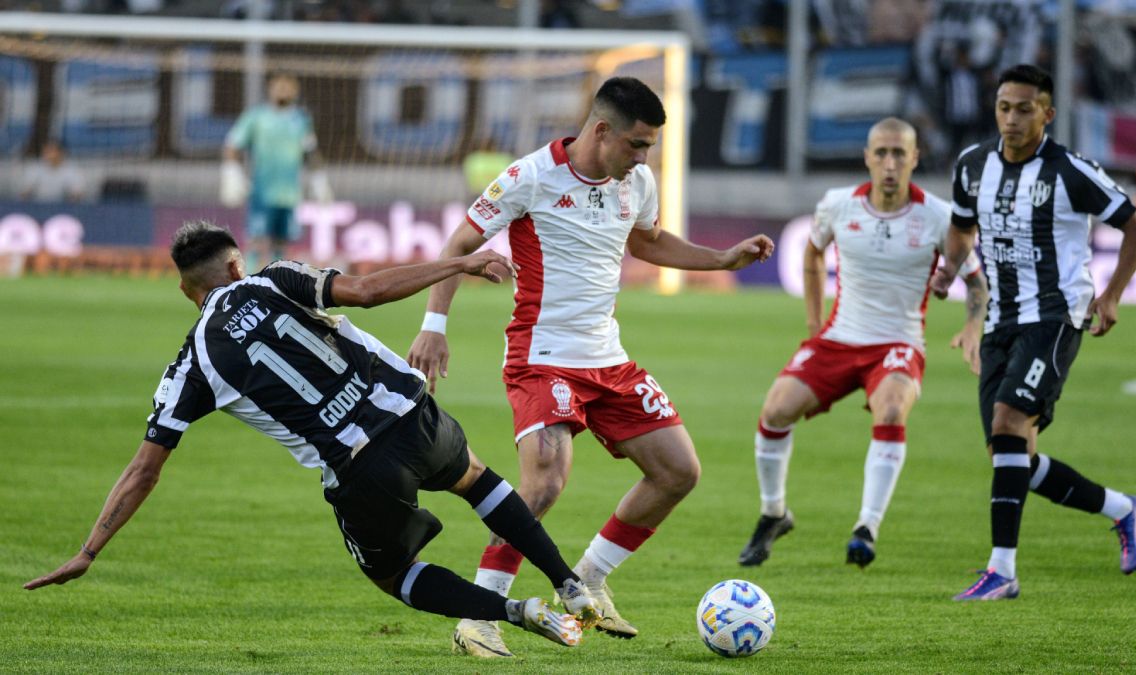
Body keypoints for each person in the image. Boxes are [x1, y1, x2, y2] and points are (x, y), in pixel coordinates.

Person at [23, 220, 603, 652]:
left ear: (187, 293)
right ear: (234, 266)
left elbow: (143, 469)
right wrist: (457, 264)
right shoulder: (275, 278)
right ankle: (570, 582)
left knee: (392, 574)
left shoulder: (191, 365)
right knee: (477, 478)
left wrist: (88, 551)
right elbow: (370, 291)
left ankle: (518, 610)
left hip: (359, 466)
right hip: (412, 414)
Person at [407, 76, 774, 657]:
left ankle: (594, 579)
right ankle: (479, 616)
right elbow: (460, 245)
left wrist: (721, 258)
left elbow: (647, 243)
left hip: (608, 357)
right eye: (637, 144)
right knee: (546, 478)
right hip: (542, 357)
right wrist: (434, 326)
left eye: (649, 146)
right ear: (601, 131)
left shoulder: (638, 180)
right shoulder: (529, 176)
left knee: (679, 470)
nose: (644, 157)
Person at [931, 64, 1136, 601]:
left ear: (1047, 114)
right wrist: (948, 270)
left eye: (1024, 108)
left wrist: (1113, 293)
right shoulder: (973, 166)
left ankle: (1002, 571)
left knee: (1009, 423)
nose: (1011, 117)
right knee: (1011, 457)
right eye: (1004, 106)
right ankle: (1124, 509)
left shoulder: (1071, 171)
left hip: (1055, 316)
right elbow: (961, 230)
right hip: (1001, 322)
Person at [737, 117, 988, 569]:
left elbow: (976, 281)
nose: (890, 163)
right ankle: (774, 513)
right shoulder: (838, 205)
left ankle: (866, 527)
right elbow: (813, 251)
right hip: (838, 337)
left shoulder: (938, 216)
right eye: (881, 153)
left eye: (899, 154)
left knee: (892, 407)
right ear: (867, 158)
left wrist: (972, 328)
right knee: (775, 408)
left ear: (914, 158)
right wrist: (814, 324)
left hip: (898, 343)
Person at [221, 73, 333, 272]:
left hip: (289, 194)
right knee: (256, 239)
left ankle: (276, 280)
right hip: (262, 191)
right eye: (278, 86)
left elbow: (310, 152)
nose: (282, 90)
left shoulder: (301, 119)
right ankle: (245, 280)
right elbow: (232, 144)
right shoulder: (256, 116)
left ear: (295, 91)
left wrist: (319, 181)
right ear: (270, 89)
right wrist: (232, 173)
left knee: (281, 242)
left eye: (287, 86)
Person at [19, 140, 86, 203]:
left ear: (61, 152)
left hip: (64, 209)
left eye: (50, 151)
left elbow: (77, 195)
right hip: (37, 208)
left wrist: (72, 197)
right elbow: (24, 194)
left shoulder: (72, 170)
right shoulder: (34, 168)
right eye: (44, 151)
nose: (46, 154)